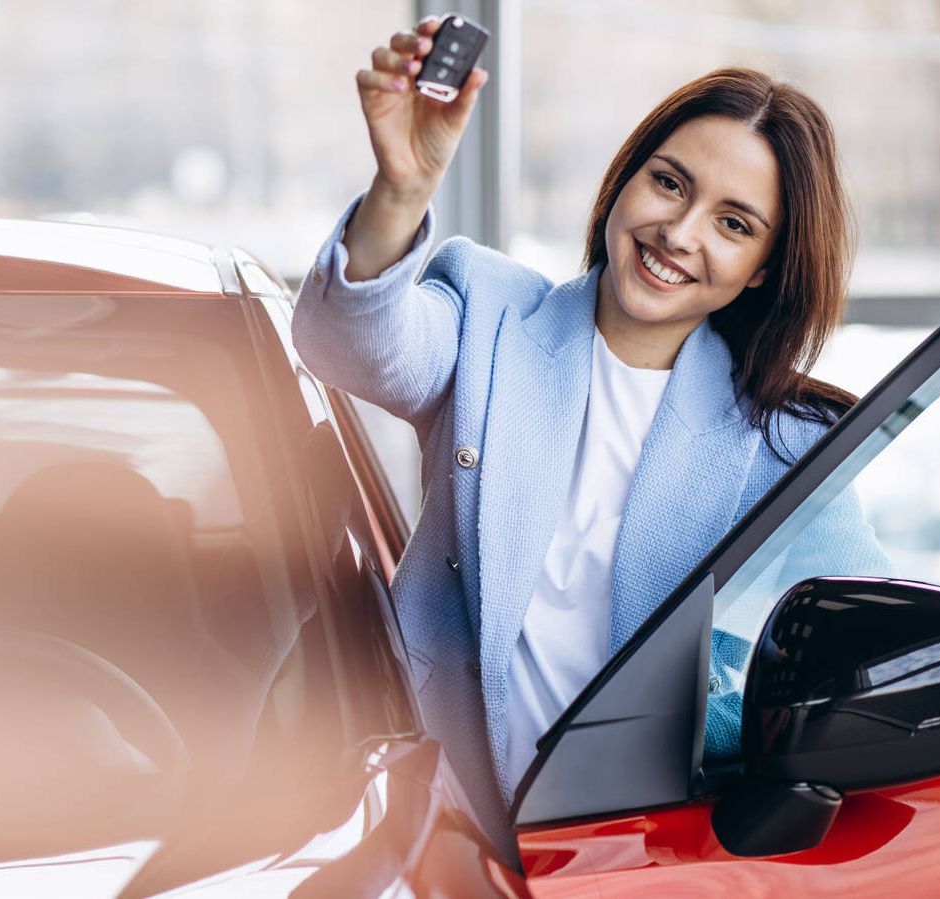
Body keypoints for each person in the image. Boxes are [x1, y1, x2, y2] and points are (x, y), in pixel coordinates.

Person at [291, 16, 889, 860]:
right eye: (670, 183)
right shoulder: (491, 313)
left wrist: (724, 715)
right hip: (435, 832)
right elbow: (345, 343)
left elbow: (873, 662)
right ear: (624, 181)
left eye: (734, 224)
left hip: (644, 858)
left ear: (764, 267)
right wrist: (402, 187)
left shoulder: (787, 445)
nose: (680, 233)